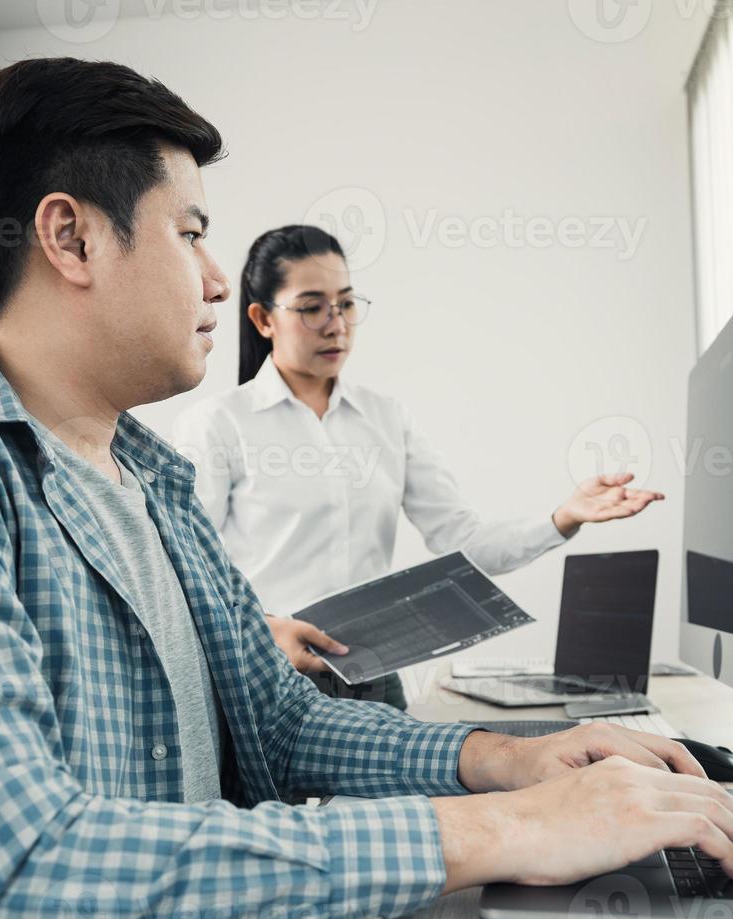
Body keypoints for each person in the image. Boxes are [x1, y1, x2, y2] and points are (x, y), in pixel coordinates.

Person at [0, 58, 733, 919]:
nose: (219, 279)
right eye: (193, 231)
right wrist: (503, 829)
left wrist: (507, 761)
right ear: (71, 238)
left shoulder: (152, 478)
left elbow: (280, 723)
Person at [171, 225, 661, 705]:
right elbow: (187, 572)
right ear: (262, 319)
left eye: (345, 303)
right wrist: (266, 629)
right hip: (268, 676)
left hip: (375, 680)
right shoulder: (218, 425)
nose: (335, 322)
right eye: (311, 307)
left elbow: (464, 544)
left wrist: (564, 517)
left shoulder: (385, 418)